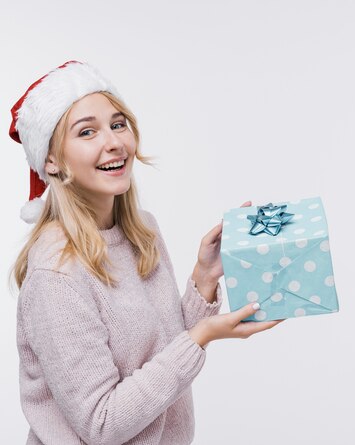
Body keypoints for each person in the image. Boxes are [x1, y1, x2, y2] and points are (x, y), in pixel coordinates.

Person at [11, 61, 280, 444]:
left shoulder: (143, 231)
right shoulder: (57, 275)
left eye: (118, 124)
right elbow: (102, 424)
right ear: (51, 161)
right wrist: (201, 336)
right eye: (87, 132)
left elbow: (162, 349)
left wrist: (204, 278)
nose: (114, 142)